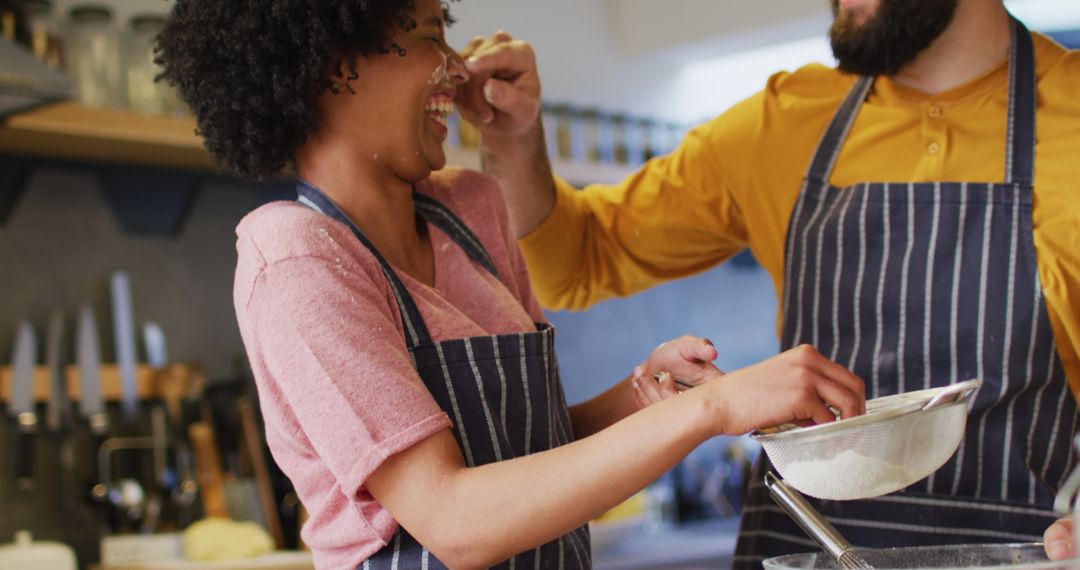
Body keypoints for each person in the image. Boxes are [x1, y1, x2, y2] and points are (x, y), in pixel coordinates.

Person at [155, 0, 868, 568]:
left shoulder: (472, 209)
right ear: (328, 63)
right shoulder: (299, 260)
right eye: (428, 36)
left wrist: (642, 397)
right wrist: (711, 409)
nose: (454, 68)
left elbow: (532, 454)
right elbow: (454, 521)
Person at [454, 0, 1080, 566]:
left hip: (1022, 551)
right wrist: (512, 137)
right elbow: (576, 258)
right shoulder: (782, 122)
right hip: (810, 548)